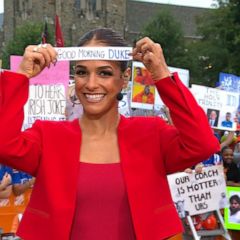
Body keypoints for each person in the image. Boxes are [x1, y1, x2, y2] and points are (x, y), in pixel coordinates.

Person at [0, 28, 219, 240]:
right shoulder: (48, 136)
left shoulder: (151, 133)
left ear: (124, 79)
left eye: (104, 73)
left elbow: (203, 144)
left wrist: (161, 74)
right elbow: (4, 145)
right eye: (82, 72)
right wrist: (21, 76)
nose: (91, 84)